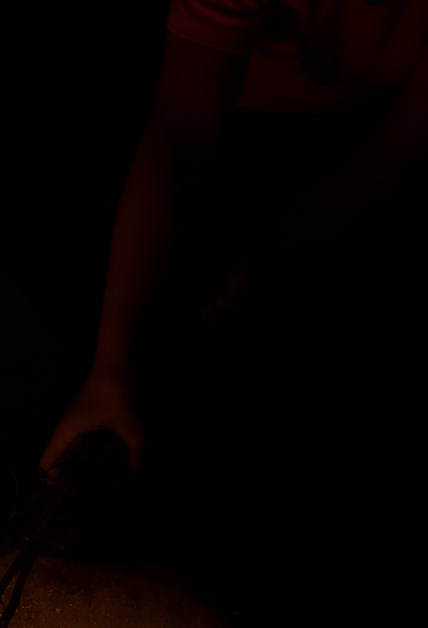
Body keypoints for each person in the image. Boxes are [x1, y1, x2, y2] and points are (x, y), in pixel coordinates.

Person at [38, 0, 427, 485]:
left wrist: (266, 258)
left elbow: (399, 153)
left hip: (369, 132)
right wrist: (109, 367)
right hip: (232, 99)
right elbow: (182, 131)